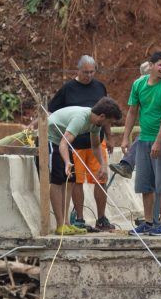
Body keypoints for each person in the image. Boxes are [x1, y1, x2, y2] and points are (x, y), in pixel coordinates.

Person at [47, 56, 112, 231]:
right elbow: (52, 115)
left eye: (92, 72)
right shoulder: (71, 95)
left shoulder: (96, 118)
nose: (89, 75)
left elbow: (98, 141)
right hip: (64, 141)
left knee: (82, 179)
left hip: (82, 141)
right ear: (78, 70)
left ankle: (86, 220)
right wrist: (67, 160)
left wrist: (104, 163)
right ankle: (69, 221)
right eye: (85, 72)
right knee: (66, 180)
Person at [121, 51, 161, 235]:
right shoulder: (138, 84)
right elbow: (132, 112)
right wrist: (126, 136)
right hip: (143, 139)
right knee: (144, 184)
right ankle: (148, 222)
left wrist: (157, 142)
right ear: (151, 65)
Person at [45, 98, 122, 235]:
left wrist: (104, 165)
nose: (108, 125)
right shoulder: (80, 119)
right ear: (102, 117)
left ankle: (67, 222)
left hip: (63, 143)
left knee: (70, 181)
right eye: (109, 122)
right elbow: (63, 143)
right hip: (51, 139)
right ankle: (59, 224)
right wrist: (68, 162)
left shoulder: (95, 124)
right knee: (58, 180)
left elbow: (96, 145)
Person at [109, 59, 155, 180]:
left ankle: (127, 165)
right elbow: (132, 112)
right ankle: (127, 165)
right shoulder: (142, 89)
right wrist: (125, 138)